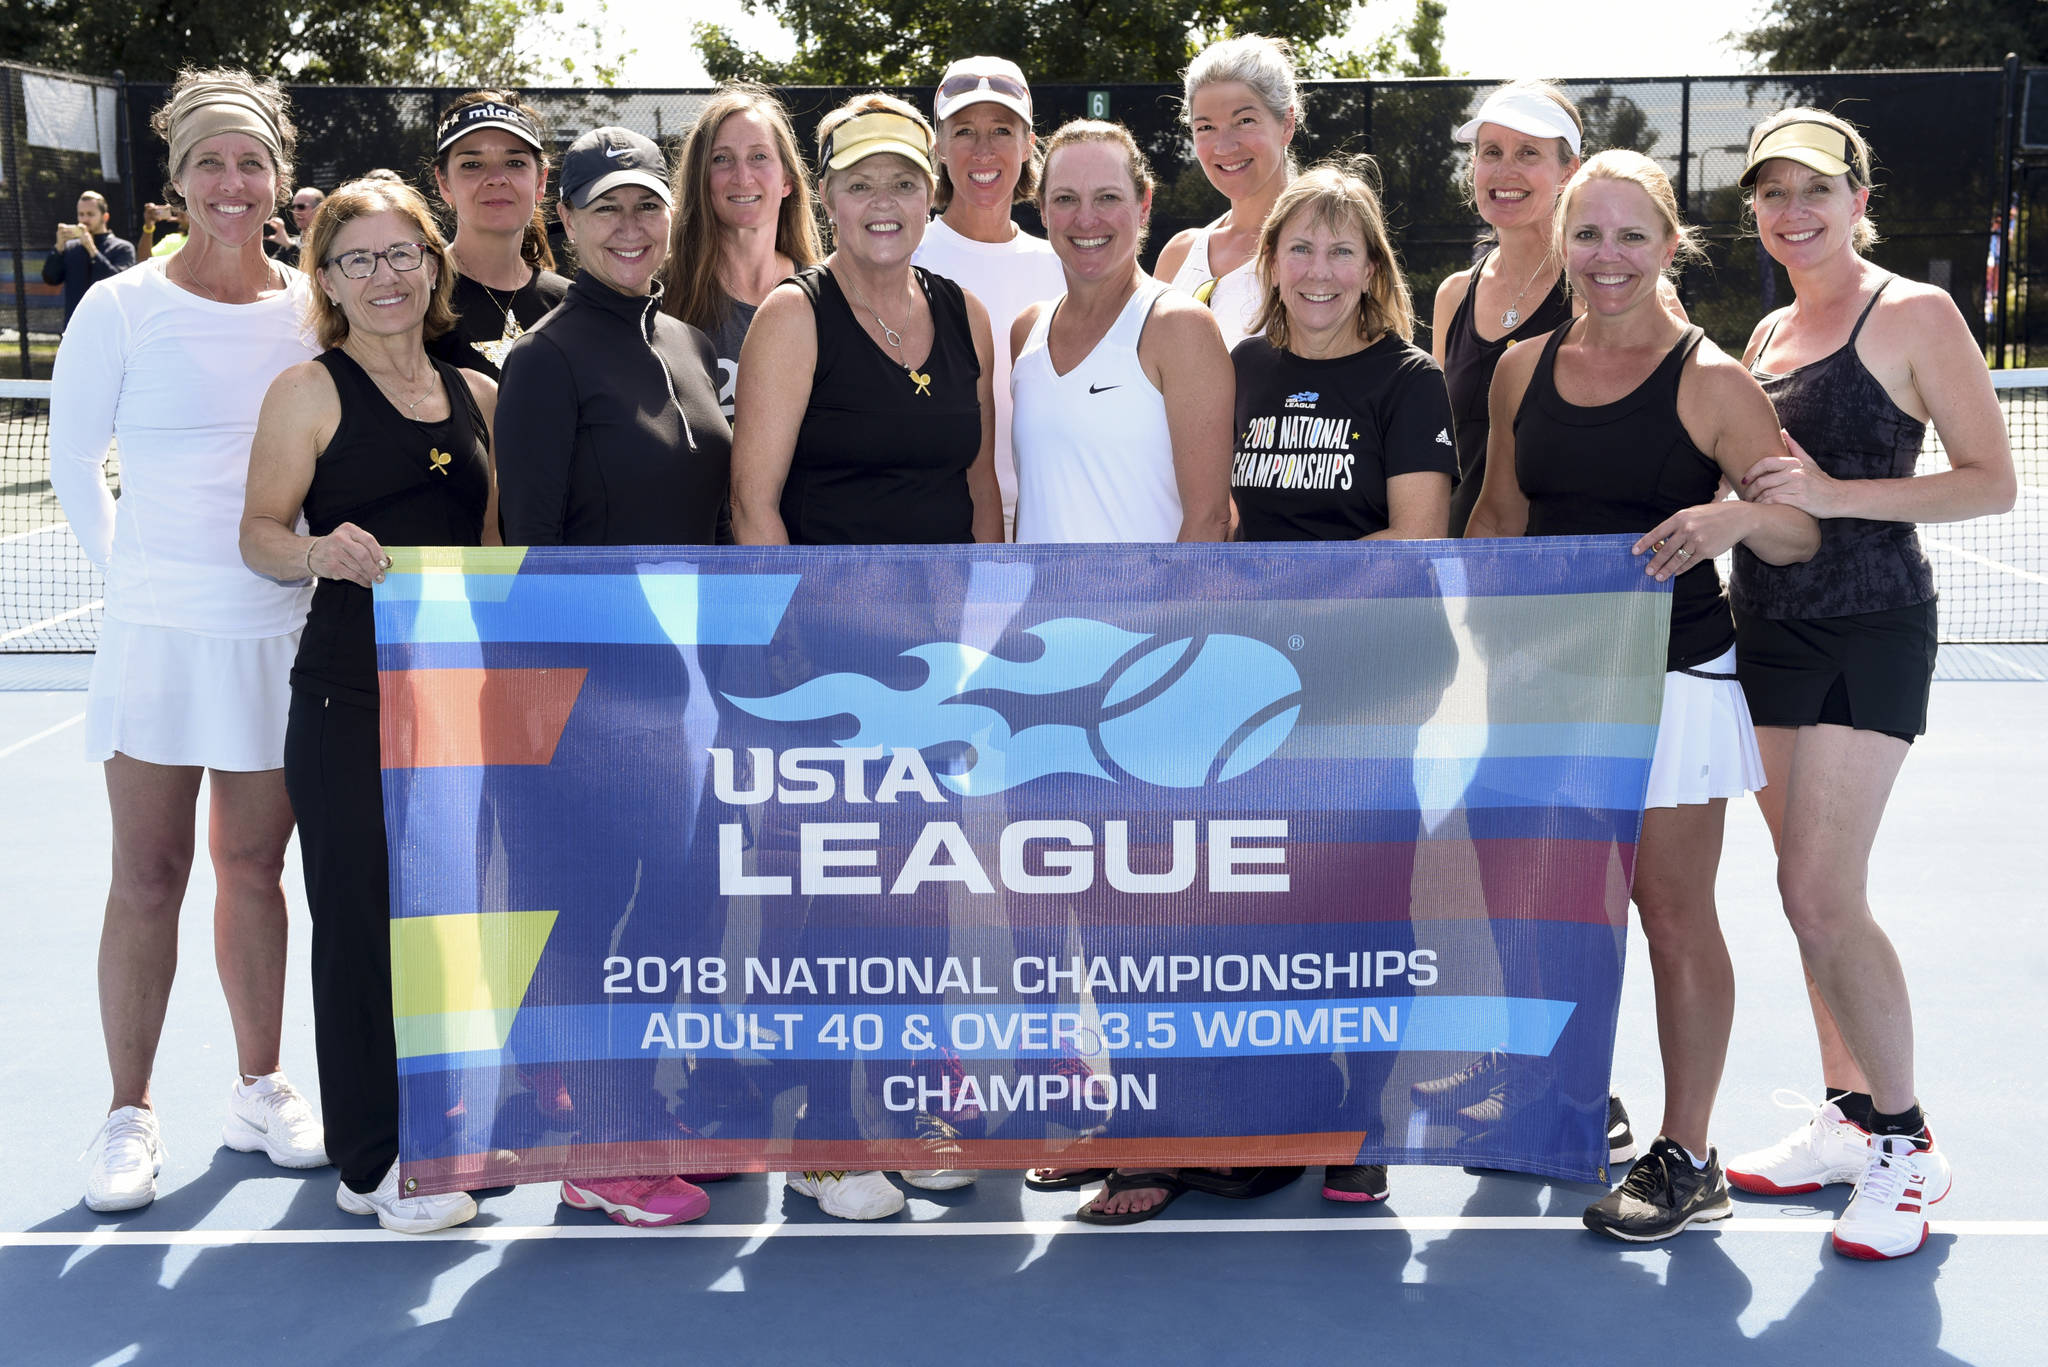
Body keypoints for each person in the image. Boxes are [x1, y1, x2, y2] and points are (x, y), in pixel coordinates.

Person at [1466, 150, 1821, 1242]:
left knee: (1666, 913)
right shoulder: (1521, 368)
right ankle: (1572, 1102)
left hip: (1671, 677)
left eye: (1630, 235)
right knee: (1541, 901)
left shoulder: (1714, 381)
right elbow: (1494, 517)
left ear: (1669, 245)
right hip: (1545, 680)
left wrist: (1728, 521)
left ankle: (1688, 1150)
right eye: (1587, 234)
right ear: (1560, 245)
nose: (1606, 257)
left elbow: (1799, 530)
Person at [1722, 109, 2015, 1260]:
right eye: (1769, 194)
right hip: (1767, 631)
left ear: (1855, 197)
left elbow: (1988, 481)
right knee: (1805, 901)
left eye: (1813, 191)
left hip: (1869, 624)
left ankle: (1906, 1140)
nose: (1790, 212)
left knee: (1819, 891)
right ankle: (1847, 1118)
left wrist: (1835, 494)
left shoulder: (1914, 312)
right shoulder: (1761, 332)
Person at [48, 68, 328, 1214]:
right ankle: (130, 1109)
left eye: (249, 162)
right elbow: (75, 467)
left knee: (255, 869)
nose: (231, 182)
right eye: (209, 162)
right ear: (173, 181)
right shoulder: (117, 306)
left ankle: (258, 1085)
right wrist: (143, 591)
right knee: (149, 873)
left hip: (280, 632)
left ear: (278, 179)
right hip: (159, 638)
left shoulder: (316, 302)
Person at [729, 94, 999, 1218]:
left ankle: (905, 1107)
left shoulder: (966, 310)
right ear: (824, 198)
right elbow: (753, 507)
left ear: (929, 196)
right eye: (858, 185)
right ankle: (823, 1136)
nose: (881, 204)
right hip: (827, 673)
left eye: (902, 184)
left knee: (920, 895)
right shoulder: (791, 316)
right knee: (828, 900)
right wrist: (812, 676)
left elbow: (980, 486)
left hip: (937, 663)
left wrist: (975, 645)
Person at [239, 180, 497, 1233]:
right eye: (359, 260)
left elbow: (492, 547)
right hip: (347, 694)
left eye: (402, 256)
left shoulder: (478, 391)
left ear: (433, 267)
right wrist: (316, 550)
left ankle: (437, 1129)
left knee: (443, 924)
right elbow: (257, 533)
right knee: (357, 923)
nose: (384, 278)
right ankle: (371, 1161)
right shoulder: (307, 389)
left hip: (454, 698)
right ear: (328, 279)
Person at [494, 126, 732, 1225]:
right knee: (592, 923)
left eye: (646, 207)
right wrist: (561, 721)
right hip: (582, 699)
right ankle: (597, 1146)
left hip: (679, 690)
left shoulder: (683, 339)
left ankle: (631, 1106)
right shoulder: (545, 359)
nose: (630, 228)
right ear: (568, 225)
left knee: (680, 910)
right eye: (606, 211)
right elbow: (531, 547)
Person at [1005, 119, 1233, 1221]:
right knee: (1077, 912)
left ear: (1145, 204)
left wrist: (1152, 679)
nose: (1085, 220)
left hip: (1148, 678)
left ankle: (1163, 1134)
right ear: (1038, 211)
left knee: (1155, 914)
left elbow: (1207, 517)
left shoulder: (1175, 326)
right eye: (1063, 200)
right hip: (1043, 674)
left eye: (1106, 198)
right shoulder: (1021, 326)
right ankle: (1113, 1110)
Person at [1229, 158, 1455, 1209]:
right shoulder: (1232, 368)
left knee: (1362, 902)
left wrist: (1285, 586)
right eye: (1301, 246)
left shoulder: (1406, 380)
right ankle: (1279, 1098)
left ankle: (1362, 1114)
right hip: (1250, 685)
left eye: (1341, 249)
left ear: (1371, 268)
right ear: (1270, 257)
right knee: (1264, 900)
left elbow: (1414, 535)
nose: (1319, 269)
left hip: (1370, 679)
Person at [911, 56, 1066, 539]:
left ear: (1027, 145)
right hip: (944, 518)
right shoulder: (903, 260)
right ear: (937, 145)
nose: (983, 151)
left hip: (1052, 516)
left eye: (1001, 130)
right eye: (963, 132)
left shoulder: (1066, 265)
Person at [1436, 81, 1581, 536]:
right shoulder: (1454, 295)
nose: (1504, 171)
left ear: (1568, 172)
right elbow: (1440, 449)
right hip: (1466, 571)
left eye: (1528, 153)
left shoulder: (1605, 289)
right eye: (1491, 152)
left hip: (1572, 578)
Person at [660, 83, 822, 425]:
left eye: (759, 157)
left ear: (787, 181)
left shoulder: (826, 297)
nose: (742, 176)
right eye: (722, 159)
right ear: (701, 181)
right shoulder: (664, 294)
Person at [1153, 34, 1300, 352]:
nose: (1225, 146)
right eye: (1205, 127)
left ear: (1286, 124)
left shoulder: (1329, 248)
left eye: (1244, 121)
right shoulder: (1178, 256)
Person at [427, 91, 569, 380]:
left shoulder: (570, 304)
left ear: (540, 181)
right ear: (444, 183)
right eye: (472, 164)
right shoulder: (415, 296)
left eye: (514, 162)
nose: (495, 178)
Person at [44, 190, 136, 327]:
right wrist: (58, 247)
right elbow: (51, 279)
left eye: (90, 214)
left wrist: (92, 250)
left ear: (105, 217)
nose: (84, 220)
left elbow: (119, 284)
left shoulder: (123, 248)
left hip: (110, 326)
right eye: (81, 214)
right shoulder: (70, 247)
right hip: (75, 327)